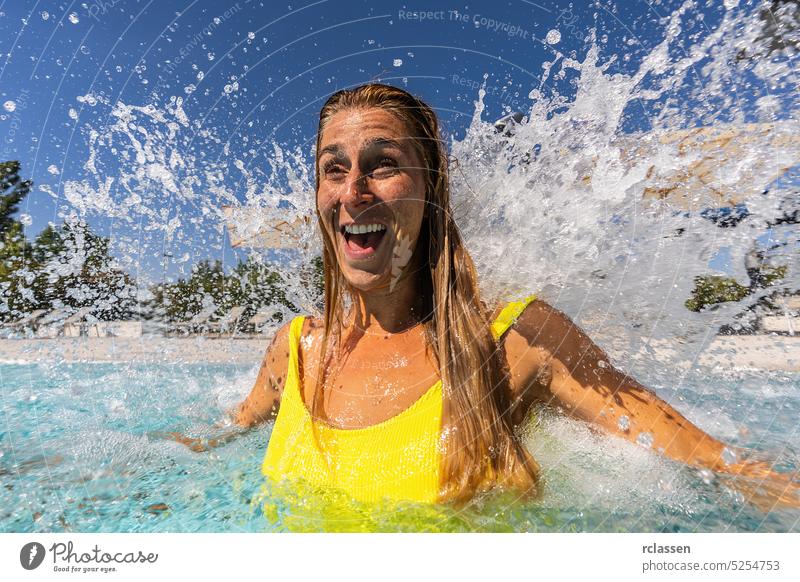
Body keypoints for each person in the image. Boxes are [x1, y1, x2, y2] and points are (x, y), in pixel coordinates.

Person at [169, 83, 798, 511]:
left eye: (382, 164)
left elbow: (722, 465)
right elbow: (216, 436)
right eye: (334, 169)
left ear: (432, 188)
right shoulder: (296, 349)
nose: (353, 189)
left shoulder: (518, 340)